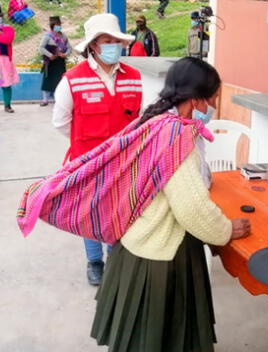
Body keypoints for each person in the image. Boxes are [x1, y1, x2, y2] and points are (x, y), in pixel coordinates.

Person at [91, 56, 251, 352]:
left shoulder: (153, 121)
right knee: (161, 340)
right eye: (213, 99)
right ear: (195, 100)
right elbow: (192, 210)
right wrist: (226, 229)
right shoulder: (177, 138)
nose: (214, 108)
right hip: (161, 258)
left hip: (136, 245)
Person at [52, 13, 142, 286]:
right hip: (86, 163)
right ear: (93, 45)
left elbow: (140, 118)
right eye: (107, 40)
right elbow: (61, 122)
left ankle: (114, 259)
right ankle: (94, 262)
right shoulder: (72, 80)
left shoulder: (134, 77)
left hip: (124, 162)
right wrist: (86, 144)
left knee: (118, 212)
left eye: (117, 40)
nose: (113, 45)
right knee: (90, 213)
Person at [39, 16, 71, 106]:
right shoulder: (47, 36)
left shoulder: (63, 36)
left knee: (60, 80)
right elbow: (41, 48)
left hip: (60, 61)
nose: (58, 27)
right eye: (56, 25)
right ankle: (45, 100)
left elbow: (69, 48)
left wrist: (65, 54)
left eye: (59, 25)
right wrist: (50, 55)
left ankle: (59, 99)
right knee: (47, 80)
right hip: (50, 62)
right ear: (52, 26)